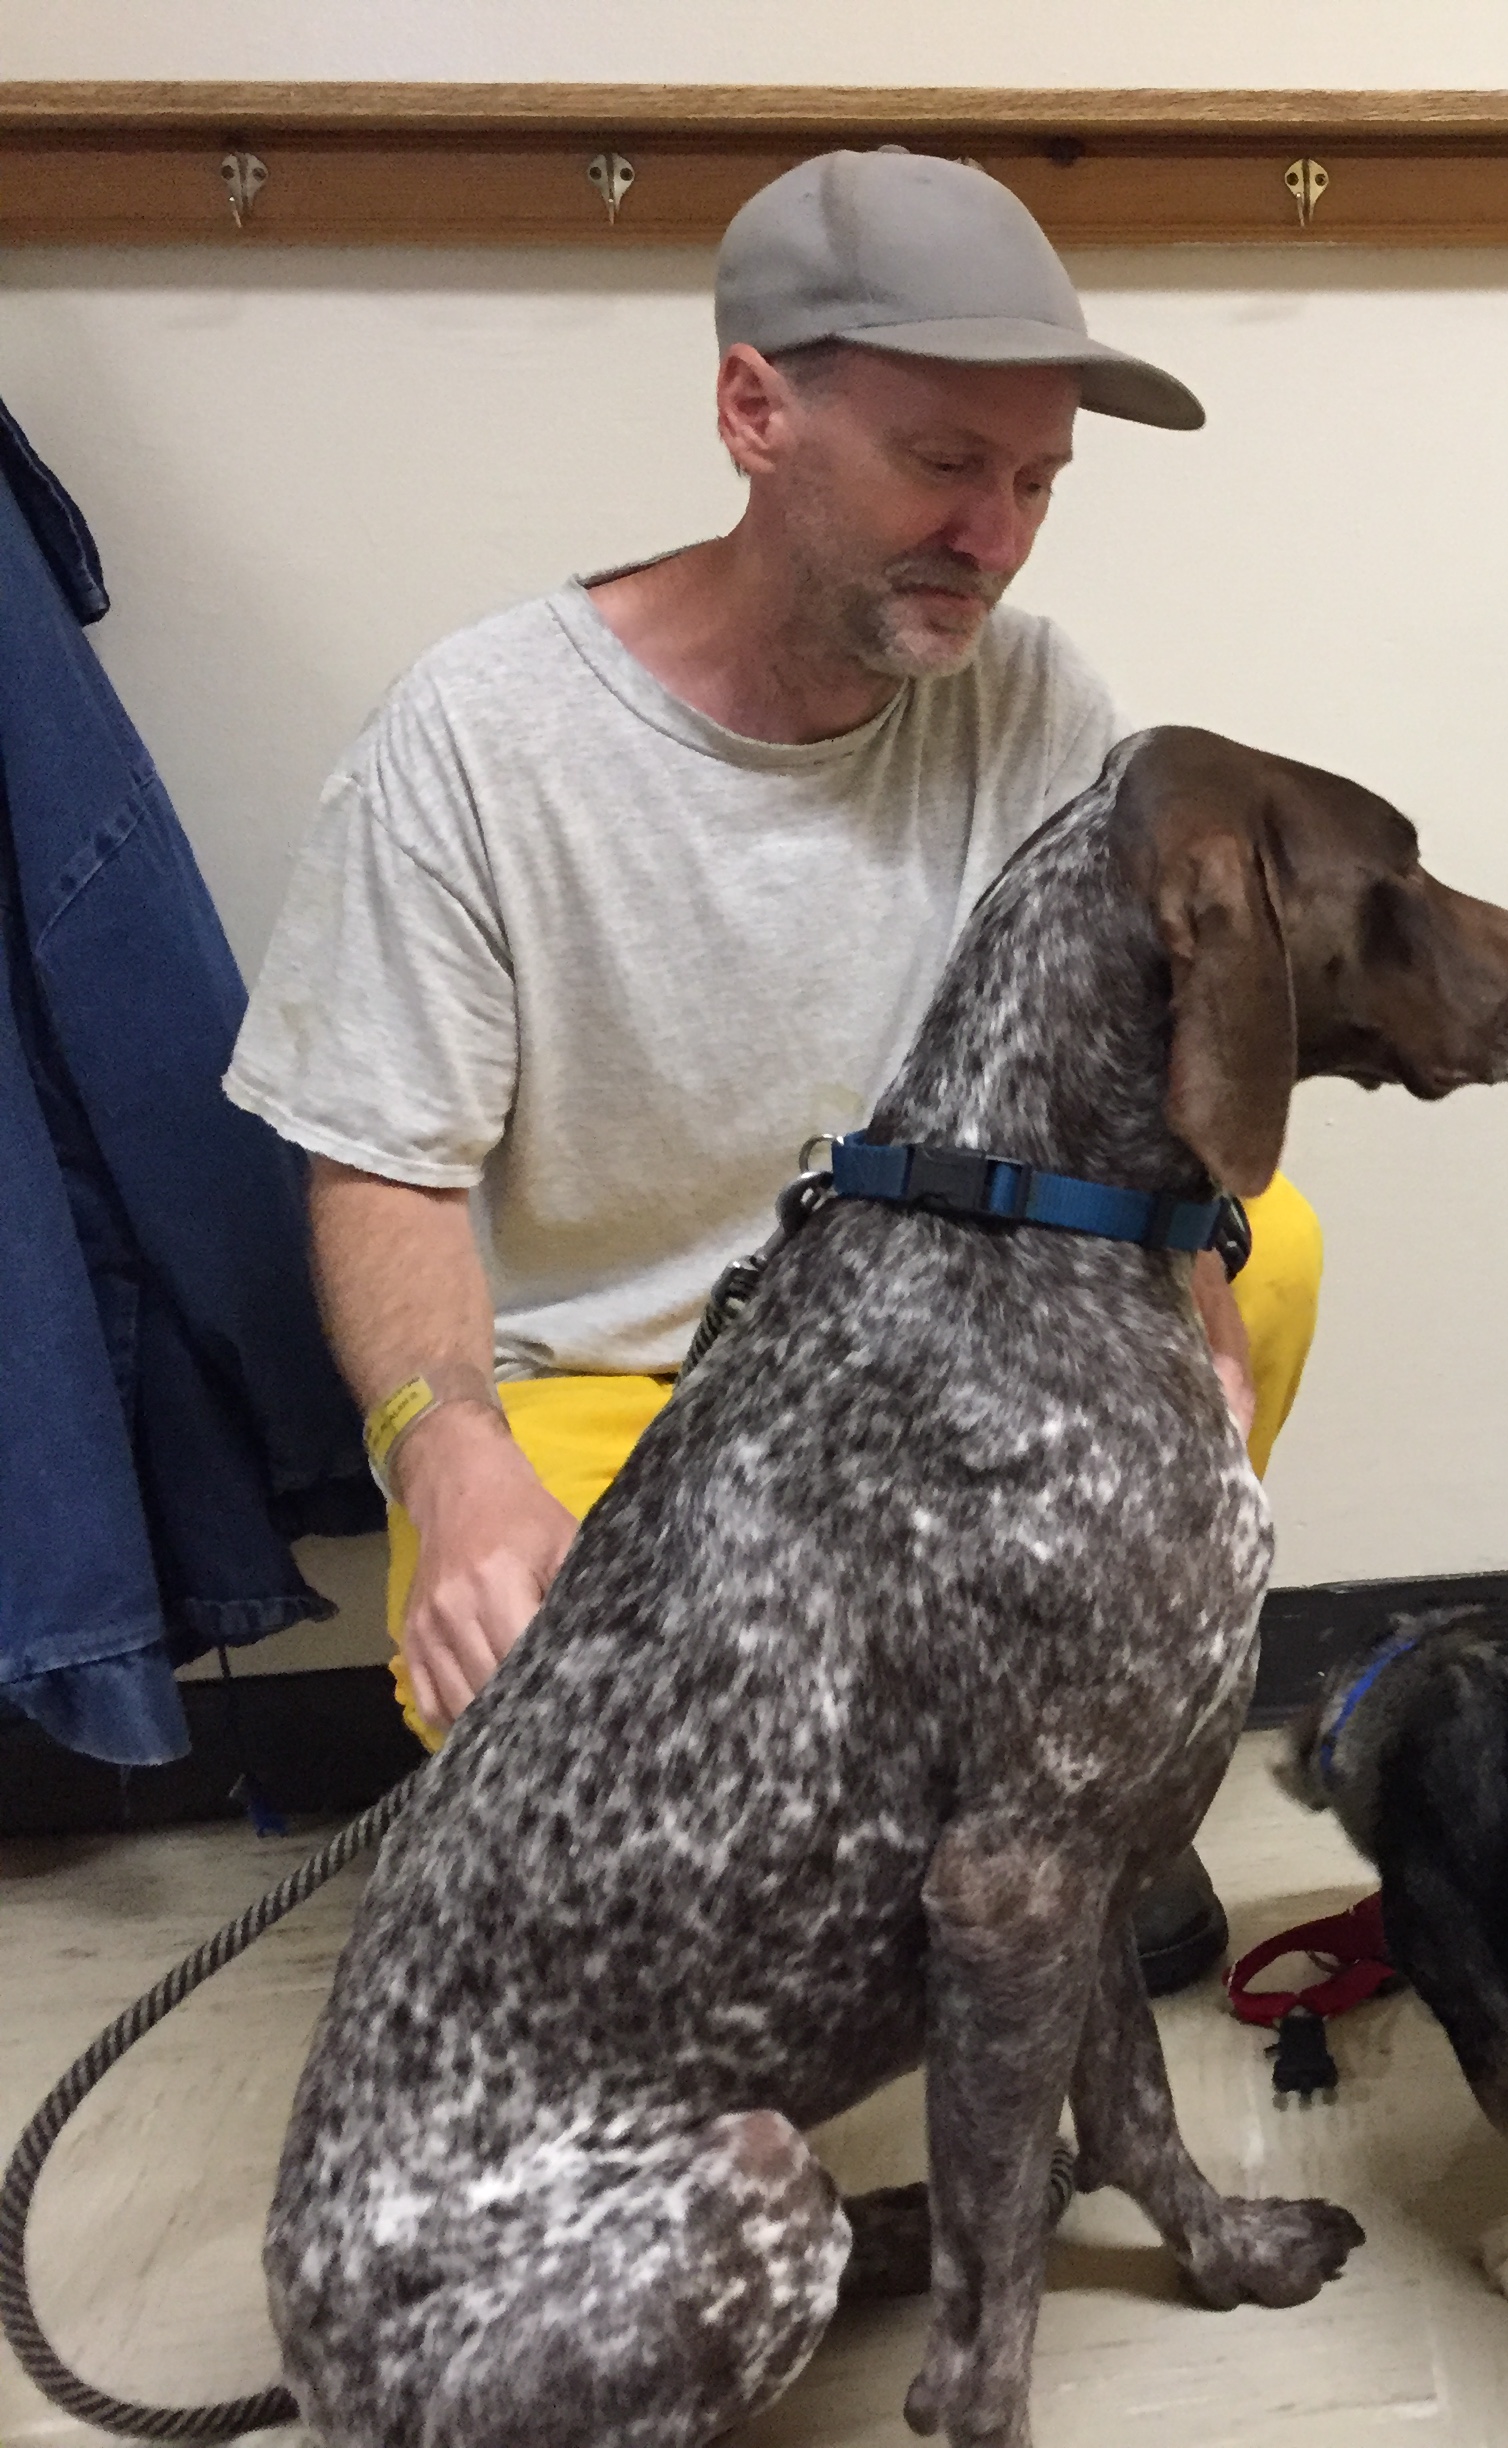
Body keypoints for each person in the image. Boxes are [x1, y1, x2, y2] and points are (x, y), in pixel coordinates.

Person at [225, 149, 1316, 1989]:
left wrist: (1191, 1332)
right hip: (621, 1389)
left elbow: (1133, 1088)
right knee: (614, 1815)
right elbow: (383, 1164)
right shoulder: (480, 740)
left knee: (1263, 1264)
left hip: (945, 1352)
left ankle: (1068, 1799)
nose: (998, 535)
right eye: (944, 464)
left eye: (1038, 481)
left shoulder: (1038, 702)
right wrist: (448, 1461)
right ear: (755, 411)